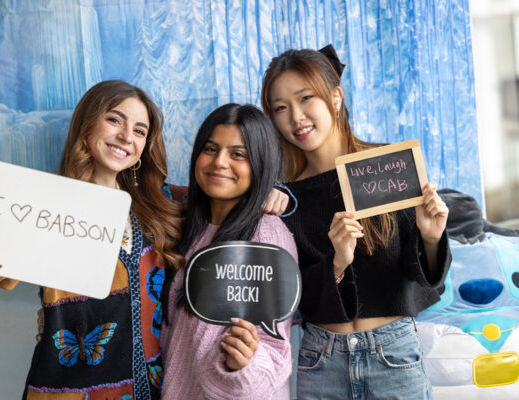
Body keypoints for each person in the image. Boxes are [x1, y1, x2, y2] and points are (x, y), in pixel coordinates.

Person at [0, 80, 183, 399]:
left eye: (139, 130)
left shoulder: (160, 204)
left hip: (151, 386)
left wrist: (271, 192)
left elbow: (227, 195)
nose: (126, 136)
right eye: (114, 119)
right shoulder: (48, 208)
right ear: (87, 124)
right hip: (71, 389)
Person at [260, 46, 452, 399]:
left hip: (393, 354)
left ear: (335, 97)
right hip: (321, 360)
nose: (296, 117)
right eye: (280, 108)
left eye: (306, 99)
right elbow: (291, 295)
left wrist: (430, 236)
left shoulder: (388, 166)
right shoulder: (283, 199)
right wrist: (336, 264)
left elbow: (417, 275)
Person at [160, 103, 298, 399]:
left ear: (260, 164)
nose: (219, 162)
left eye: (238, 154)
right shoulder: (185, 226)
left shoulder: (266, 236)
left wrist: (243, 365)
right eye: (210, 149)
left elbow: (274, 349)